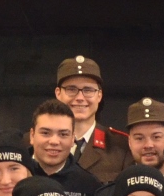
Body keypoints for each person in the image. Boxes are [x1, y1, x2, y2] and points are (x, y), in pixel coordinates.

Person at [23, 98, 101, 196]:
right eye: (45, 133)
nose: (54, 141)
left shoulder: (89, 185)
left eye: (63, 134)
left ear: (72, 139)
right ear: (32, 135)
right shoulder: (14, 178)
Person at [92, 98, 164, 196]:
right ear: (130, 142)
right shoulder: (108, 195)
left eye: (156, 137)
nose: (148, 145)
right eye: (139, 138)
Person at [53, 54, 128, 183]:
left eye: (88, 90)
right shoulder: (35, 143)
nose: (80, 97)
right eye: (71, 89)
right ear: (58, 93)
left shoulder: (121, 147)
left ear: (99, 95)